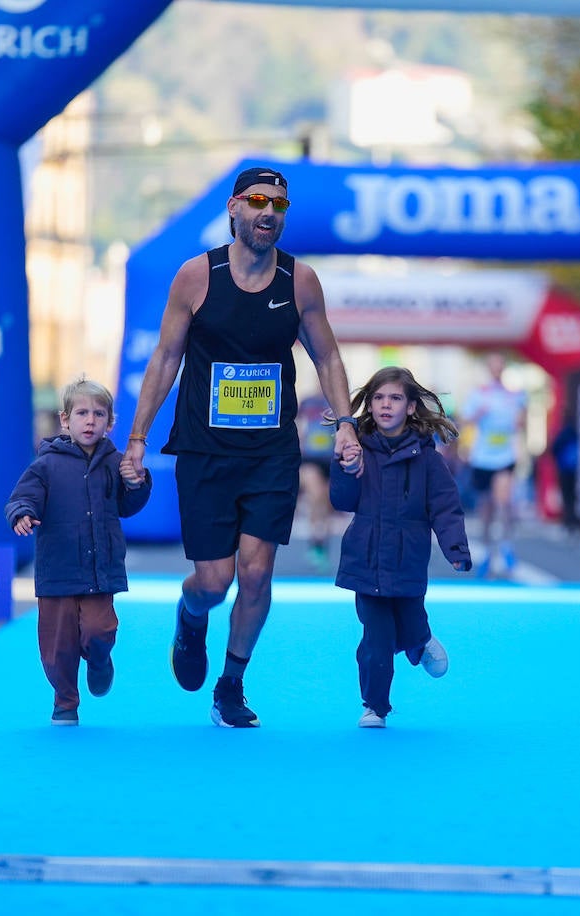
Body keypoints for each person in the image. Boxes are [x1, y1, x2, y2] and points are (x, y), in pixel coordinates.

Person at [123, 165, 360, 728]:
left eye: (279, 205)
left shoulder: (300, 282)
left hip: (271, 453)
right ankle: (191, 612)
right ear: (233, 208)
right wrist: (135, 438)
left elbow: (326, 356)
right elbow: (165, 359)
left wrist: (346, 423)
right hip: (205, 452)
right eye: (257, 201)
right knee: (214, 581)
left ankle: (231, 683)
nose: (268, 213)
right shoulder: (195, 277)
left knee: (256, 575)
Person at [5, 378, 152, 726]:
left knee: (101, 630)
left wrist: (137, 482)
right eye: (82, 413)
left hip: (100, 572)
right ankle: (65, 702)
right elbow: (22, 496)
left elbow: (128, 505)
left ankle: (100, 661)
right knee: (58, 649)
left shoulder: (115, 462)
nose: (90, 421)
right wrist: (22, 513)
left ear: (110, 422)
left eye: (98, 414)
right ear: (65, 420)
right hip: (58, 571)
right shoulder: (45, 464)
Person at [331, 367, 471, 728]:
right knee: (376, 636)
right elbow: (342, 501)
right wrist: (347, 469)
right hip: (365, 561)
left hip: (408, 562)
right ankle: (375, 705)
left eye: (394, 398)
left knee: (407, 623)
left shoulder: (428, 460)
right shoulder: (355, 448)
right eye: (378, 398)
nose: (385, 405)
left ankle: (419, 638)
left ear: (410, 407)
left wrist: (456, 549)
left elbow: (445, 506)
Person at [460, 351, 527, 578]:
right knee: (487, 509)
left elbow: (521, 422)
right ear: (489, 368)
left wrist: (520, 423)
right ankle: (488, 550)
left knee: (504, 502)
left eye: (500, 365)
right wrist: (479, 414)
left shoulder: (515, 395)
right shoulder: (479, 394)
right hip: (483, 458)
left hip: (505, 457)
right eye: (493, 365)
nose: (497, 369)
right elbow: (465, 420)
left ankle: (507, 545)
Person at [296, 390, 336, 571]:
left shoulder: (337, 404)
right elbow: (298, 424)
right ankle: (314, 538)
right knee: (316, 494)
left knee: (326, 503)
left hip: (331, 459)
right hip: (311, 459)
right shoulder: (307, 402)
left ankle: (321, 542)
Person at [549, 409, 580, 541]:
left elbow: (554, 448)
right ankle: (574, 522)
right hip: (574, 470)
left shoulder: (562, 434)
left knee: (566, 497)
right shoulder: (575, 434)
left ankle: (568, 522)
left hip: (564, 470)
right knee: (573, 498)